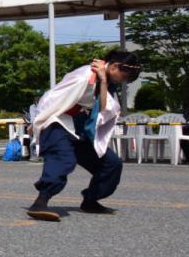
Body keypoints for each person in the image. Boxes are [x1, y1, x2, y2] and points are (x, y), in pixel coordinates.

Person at [26, 51, 141, 221]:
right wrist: (37, 121)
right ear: (115, 66)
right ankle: (40, 201)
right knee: (63, 159)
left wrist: (102, 80)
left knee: (111, 164)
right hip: (56, 121)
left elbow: (105, 109)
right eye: (126, 75)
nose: (125, 80)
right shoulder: (85, 76)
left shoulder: (105, 80)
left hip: (78, 125)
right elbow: (52, 97)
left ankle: (90, 201)